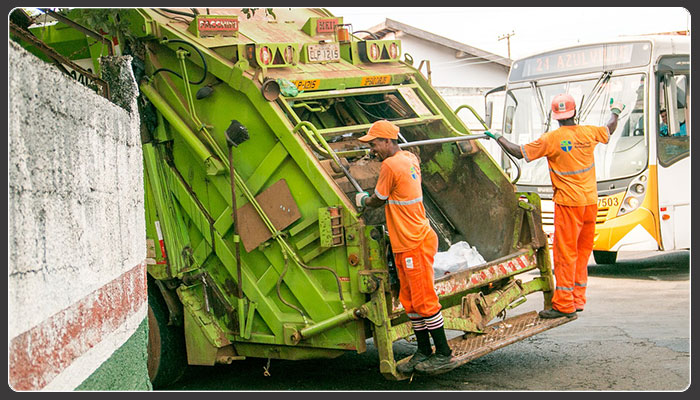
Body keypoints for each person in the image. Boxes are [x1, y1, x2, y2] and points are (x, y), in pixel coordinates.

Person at [484, 94, 624, 319]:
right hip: (590, 203)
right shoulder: (589, 132)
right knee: (581, 252)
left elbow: (519, 152)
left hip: (569, 204)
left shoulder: (552, 139)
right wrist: (616, 110)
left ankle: (564, 305)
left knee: (564, 255)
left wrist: (498, 137)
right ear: (574, 112)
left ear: (554, 116)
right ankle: (577, 300)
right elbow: (610, 127)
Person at [355, 120, 457, 375]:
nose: (373, 148)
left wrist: (363, 201)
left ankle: (443, 353)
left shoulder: (390, 165)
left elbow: (378, 200)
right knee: (409, 301)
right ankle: (423, 351)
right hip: (407, 241)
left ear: (388, 141)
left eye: (375, 143)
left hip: (413, 242)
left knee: (424, 300)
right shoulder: (409, 157)